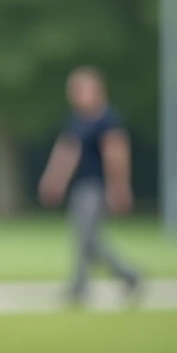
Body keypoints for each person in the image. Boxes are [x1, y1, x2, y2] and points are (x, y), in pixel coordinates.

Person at [38, 66, 143, 306]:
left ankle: (86, 284)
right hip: (80, 186)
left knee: (87, 237)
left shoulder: (107, 119)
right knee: (86, 237)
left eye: (79, 89)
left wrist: (119, 187)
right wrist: (54, 179)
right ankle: (123, 276)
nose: (74, 95)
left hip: (96, 187)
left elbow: (116, 154)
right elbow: (67, 151)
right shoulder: (76, 120)